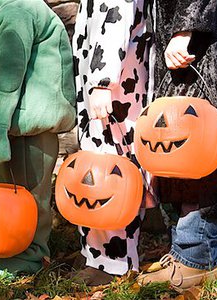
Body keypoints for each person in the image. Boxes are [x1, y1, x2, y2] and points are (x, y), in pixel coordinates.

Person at [0, 0, 76, 275]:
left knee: (27, 197)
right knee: (16, 193)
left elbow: (10, 72)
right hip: (21, 123)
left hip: (22, 124)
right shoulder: (18, 8)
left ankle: (29, 256)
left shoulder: (18, 11)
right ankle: (7, 248)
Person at [137, 0, 217, 290]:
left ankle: (196, 257)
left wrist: (185, 28)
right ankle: (188, 251)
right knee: (181, 152)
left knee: (195, 147)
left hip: (200, 47)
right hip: (193, 46)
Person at [71, 0, 154, 285]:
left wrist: (102, 82)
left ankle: (113, 261)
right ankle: (98, 254)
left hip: (115, 86)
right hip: (103, 83)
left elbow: (114, 23)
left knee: (109, 170)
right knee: (99, 166)